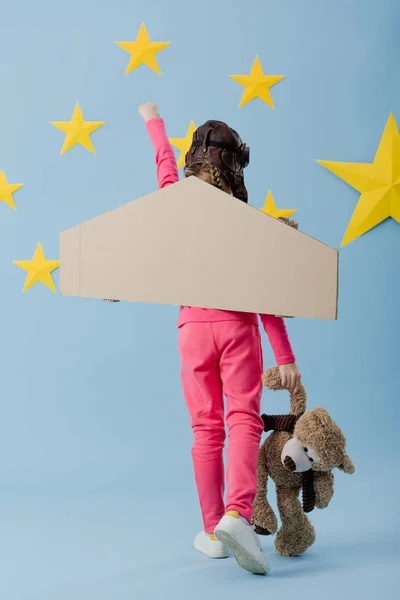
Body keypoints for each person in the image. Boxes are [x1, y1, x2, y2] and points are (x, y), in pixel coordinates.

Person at [139, 102, 301, 576]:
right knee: (243, 421)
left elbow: (163, 167)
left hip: (192, 330)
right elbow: (265, 293)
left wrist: (154, 123)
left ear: (195, 162)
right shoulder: (245, 223)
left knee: (205, 429)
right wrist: (285, 354)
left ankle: (212, 530)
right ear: (235, 169)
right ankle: (238, 515)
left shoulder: (175, 201)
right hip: (236, 327)